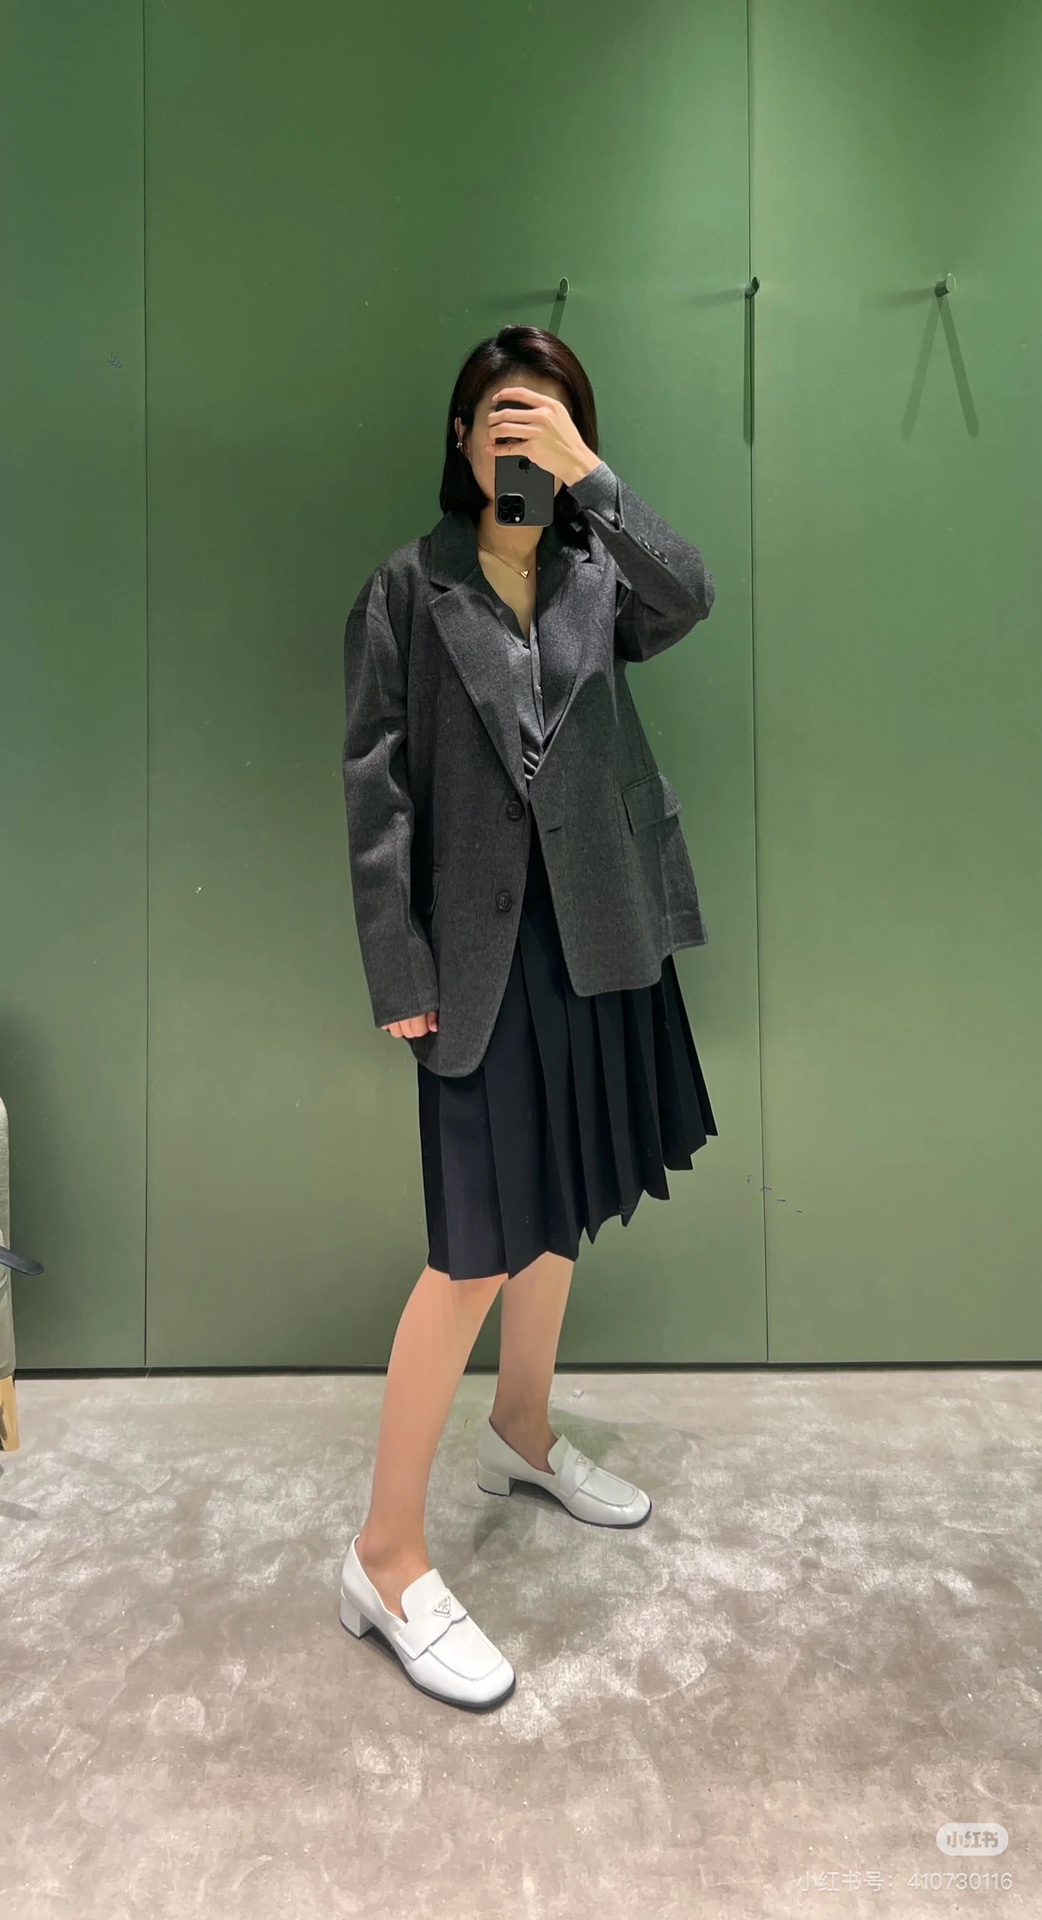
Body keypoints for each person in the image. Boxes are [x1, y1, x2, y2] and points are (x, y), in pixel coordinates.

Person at [338, 324, 718, 1710]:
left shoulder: (597, 573)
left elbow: (691, 597)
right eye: (502, 419)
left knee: (561, 1205)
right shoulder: (407, 588)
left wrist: (592, 480)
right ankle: (383, 1557)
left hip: (601, 934)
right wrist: (400, 972)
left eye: (546, 422)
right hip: (477, 958)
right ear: (459, 438)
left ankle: (522, 1425)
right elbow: (374, 789)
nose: (521, 441)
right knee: (472, 1253)